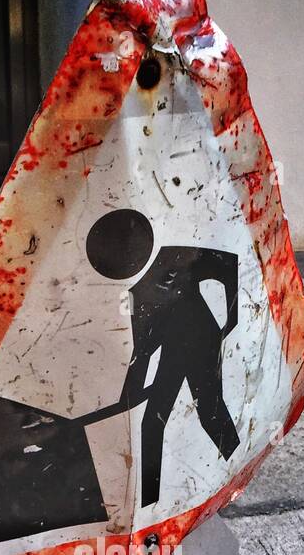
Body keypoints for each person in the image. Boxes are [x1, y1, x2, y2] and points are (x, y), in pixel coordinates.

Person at [86, 209, 241, 507]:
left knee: (209, 411)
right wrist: (128, 397)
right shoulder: (135, 295)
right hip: (173, 350)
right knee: (152, 424)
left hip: (201, 338)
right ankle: (150, 501)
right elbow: (142, 352)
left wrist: (230, 321)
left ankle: (233, 464)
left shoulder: (174, 257)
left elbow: (228, 264)